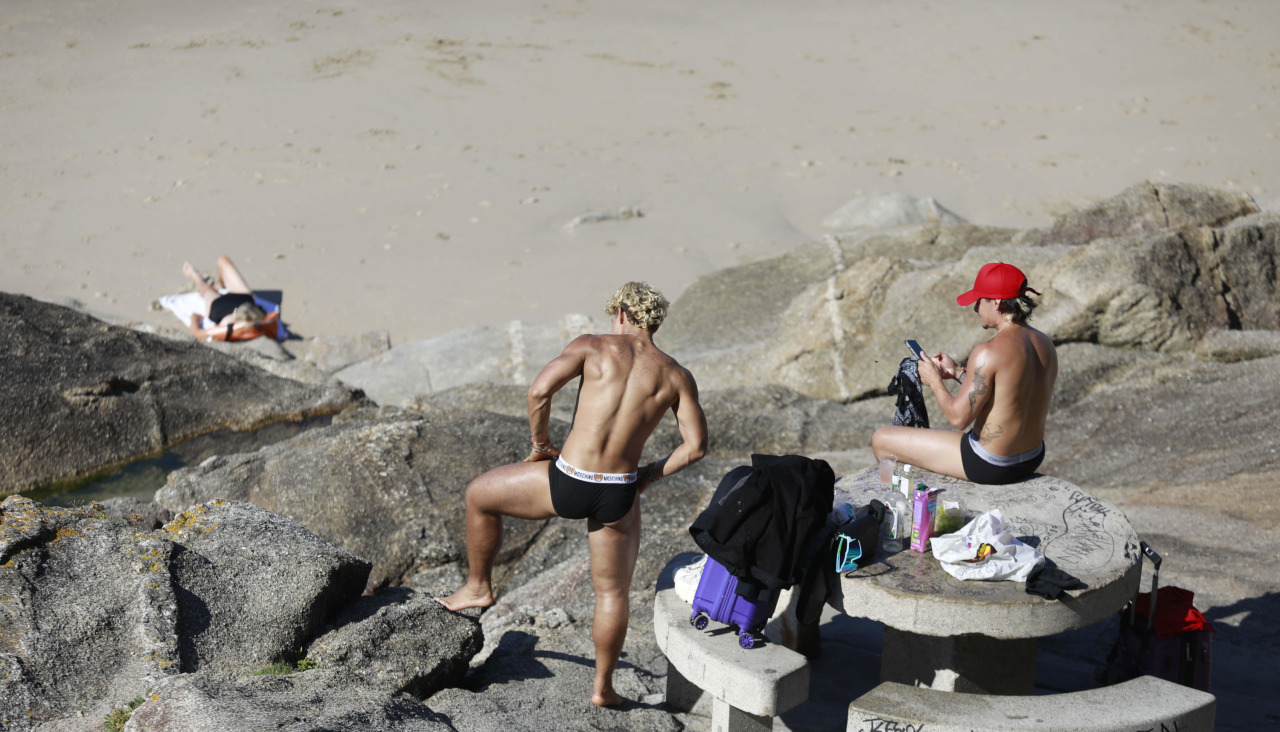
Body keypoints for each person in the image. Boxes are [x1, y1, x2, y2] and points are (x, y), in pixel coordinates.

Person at [436, 281, 708, 707]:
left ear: (620, 313)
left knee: (478, 496)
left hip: (568, 481)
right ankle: (603, 689)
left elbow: (539, 390)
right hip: (618, 493)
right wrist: (649, 475)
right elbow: (695, 447)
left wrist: (541, 445)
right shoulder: (676, 376)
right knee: (613, 594)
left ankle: (477, 587)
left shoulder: (592, 346)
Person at [872, 262, 1057, 485]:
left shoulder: (987, 351)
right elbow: (1010, 394)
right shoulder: (1044, 343)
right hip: (1032, 457)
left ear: (996, 302)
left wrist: (934, 380)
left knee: (881, 438)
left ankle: (898, 503)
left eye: (980, 301)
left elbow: (959, 418)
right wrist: (959, 373)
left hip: (991, 464)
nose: (975, 308)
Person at [181, 255, 277, 342]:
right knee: (222, 260)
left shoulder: (229, 327)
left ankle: (195, 276)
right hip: (240, 301)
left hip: (220, 306)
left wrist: (193, 317)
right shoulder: (262, 322)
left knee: (206, 289)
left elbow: (197, 333)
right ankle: (222, 286)